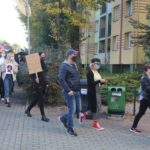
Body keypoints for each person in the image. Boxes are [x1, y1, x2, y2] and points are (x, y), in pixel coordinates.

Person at [58, 49, 83, 136]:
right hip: (70, 92)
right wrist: (68, 90)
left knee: (76, 110)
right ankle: (70, 129)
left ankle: (63, 118)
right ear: (69, 56)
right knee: (72, 110)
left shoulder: (74, 65)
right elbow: (61, 79)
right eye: (74, 55)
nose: (76, 57)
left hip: (76, 91)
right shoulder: (64, 66)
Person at [79, 58, 108, 130]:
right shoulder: (90, 72)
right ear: (92, 64)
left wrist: (103, 82)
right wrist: (99, 81)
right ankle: (95, 124)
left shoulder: (97, 72)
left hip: (97, 90)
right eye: (96, 63)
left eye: (99, 64)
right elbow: (90, 84)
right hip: (93, 92)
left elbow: (98, 82)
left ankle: (83, 115)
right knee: (97, 107)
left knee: (93, 107)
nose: (98, 65)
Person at [25, 52, 49, 122]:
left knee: (37, 99)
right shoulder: (33, 64)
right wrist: (35, 79)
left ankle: (28, 109)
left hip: (43, 83)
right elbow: (31, 75)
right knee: (41, 99)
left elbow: (46, 70)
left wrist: (46, 83)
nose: (43, 57)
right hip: (37, 84)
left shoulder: (42, 62)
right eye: (42, 56)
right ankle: (43, 116)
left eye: (43, 56)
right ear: (38, 56)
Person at [130, 64, 150, 133]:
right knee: (141, 113)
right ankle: (133, 127)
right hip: (145, 98)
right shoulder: (144, 78)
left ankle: (133, 127)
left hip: (148, 98)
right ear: (147, 70)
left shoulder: (148, 77)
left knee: (141, 113)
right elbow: (147, 88)